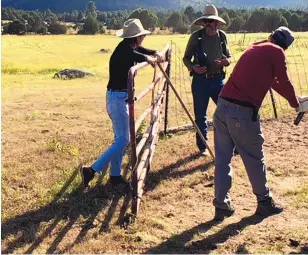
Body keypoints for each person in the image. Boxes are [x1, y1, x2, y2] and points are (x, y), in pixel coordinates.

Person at [212, 26, 308, 221]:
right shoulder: (277, 52)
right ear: (286, 46)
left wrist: (296, 100)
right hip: (242, 112)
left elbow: (273, 82)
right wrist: (296, 105)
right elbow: (283, 80)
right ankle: (265, 203)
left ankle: (221, 205)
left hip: (222, 107)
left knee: (222, 159)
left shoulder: (256, 47)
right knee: (254, 157)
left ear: (271, 36)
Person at [80, 19, 163, 191]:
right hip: (117, 98)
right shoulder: (125, 51)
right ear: (137, 37)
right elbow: (138, 56)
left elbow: (140, 51)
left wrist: (154, 52)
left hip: (118, 97)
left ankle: (115, 176)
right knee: (123, 139)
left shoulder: (129, 46)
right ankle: (91, 170)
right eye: (142, 36)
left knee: (120, 138)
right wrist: (150, 59)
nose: (143, 39)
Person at [183, 4, 232, 156]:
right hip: (200, 82)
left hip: (218, 80)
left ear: (217, 23)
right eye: (207, 21)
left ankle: (231, 144)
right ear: (203, 23)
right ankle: (203, 147)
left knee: (227, 113)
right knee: (200, 115)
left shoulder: (222, 37)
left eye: (212, 22)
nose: (209, 24)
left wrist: (226, 62)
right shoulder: (196, 37)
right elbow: (186, 58)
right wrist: (193, 68)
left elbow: (229, 57)